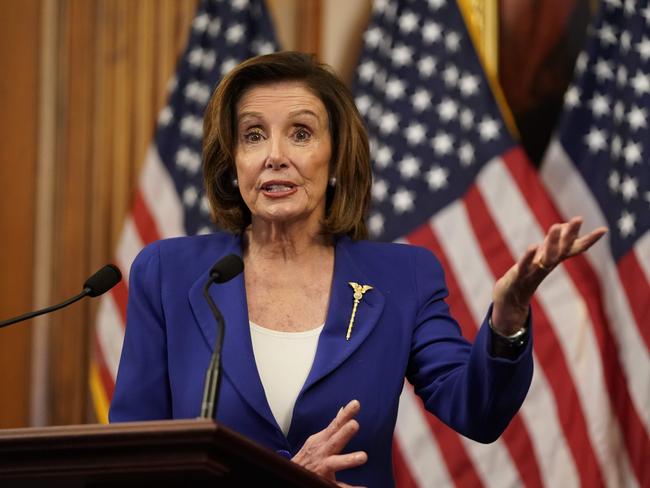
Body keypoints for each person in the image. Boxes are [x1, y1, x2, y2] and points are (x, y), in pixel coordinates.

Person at [109, 52, 606, 487]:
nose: (274, 156)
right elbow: (135, 463)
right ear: (232, 161)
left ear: (336, 159)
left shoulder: (402, 277)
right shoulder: (171, 274)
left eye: (300, 134)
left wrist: (508, 318)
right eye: (253, 135)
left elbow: (476, 411)